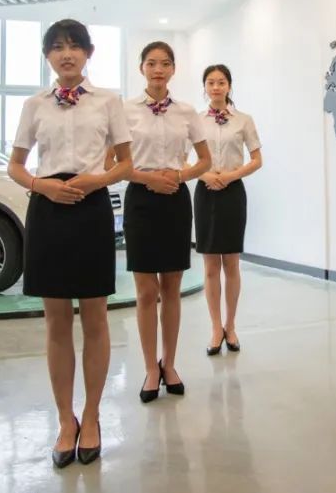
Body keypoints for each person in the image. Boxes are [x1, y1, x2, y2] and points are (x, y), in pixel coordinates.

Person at [7, 19, 132, 467]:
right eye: (57, 47)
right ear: (47, 56)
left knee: (95, 317)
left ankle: (92, 416)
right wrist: (42, 186)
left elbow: (125, 163)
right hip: (48, 209)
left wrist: (96, 180)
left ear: (88, 53)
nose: (66, 54)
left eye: (75, 46)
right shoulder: (34, 105)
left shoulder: (108, 101)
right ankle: (65, 420)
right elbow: (16, 166)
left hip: (91, 206)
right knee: (56, 321)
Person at [124, 41, 212, 402]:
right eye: (151, 63)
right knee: (146, 290)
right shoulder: (125, 110)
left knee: (172, 287)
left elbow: (205, 160)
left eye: (164, 64)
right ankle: (150, 368)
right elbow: (114, 163)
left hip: (175, 198)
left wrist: (179, 175)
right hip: (140, 198)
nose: (158, 69)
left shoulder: (187, 112)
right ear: (141, 68)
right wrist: (149, 179)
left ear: (173, 69)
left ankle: (170, 364)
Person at [195, 64, 263, 355]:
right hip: (205, 191)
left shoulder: (243, 120)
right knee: (211, 265)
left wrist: (231, 175)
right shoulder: (196, 121)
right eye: (210, 82)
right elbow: (182, 159)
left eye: (221, 82)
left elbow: (257, 159)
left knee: (232, 264)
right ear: (205, 87)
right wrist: (205, 175)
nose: (216, 87)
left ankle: (231, 326)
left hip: (233, 193)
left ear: (229, 86)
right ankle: (215, 328)